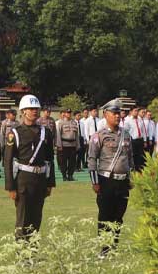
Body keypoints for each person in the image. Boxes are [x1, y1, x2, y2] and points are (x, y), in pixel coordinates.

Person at [4, 95, 56, 239]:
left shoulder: (46, 132)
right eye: (31, 109)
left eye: (36, 109)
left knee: (36, 218)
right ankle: (22, 256)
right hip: (23, 180)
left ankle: (32, 254)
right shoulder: (14, 133)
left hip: (40, 179)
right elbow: (8, 161)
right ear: (23, 111)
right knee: (23, 219)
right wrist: (11, 187)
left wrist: (50, 183)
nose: (34, 111)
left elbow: (50, 159)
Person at [87, 99, 133, 249]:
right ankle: (104, 248)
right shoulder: (98, 135)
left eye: (119, 113)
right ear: (106, 115)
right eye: (114, 113)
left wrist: (131, 177)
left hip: (123, 181)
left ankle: (114, 245)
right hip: (106, 180)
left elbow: (130, 158)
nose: (117, 116)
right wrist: (95, 182)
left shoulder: (126, 135)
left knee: (119, 216)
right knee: (105, 216)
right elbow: (92, 159)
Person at [55, 108, 81, 181]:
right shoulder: (60, 123)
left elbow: (77, 135)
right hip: (64, 145)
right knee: (63, 162)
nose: (68, 114)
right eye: (67, 113)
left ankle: (70, 175)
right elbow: (58, 135)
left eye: (69, 113)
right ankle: (64, 176)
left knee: (72, 162)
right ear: (65, 114)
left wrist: (78, 145)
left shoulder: (74, 123)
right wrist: (59, 145)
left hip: (73, 145)